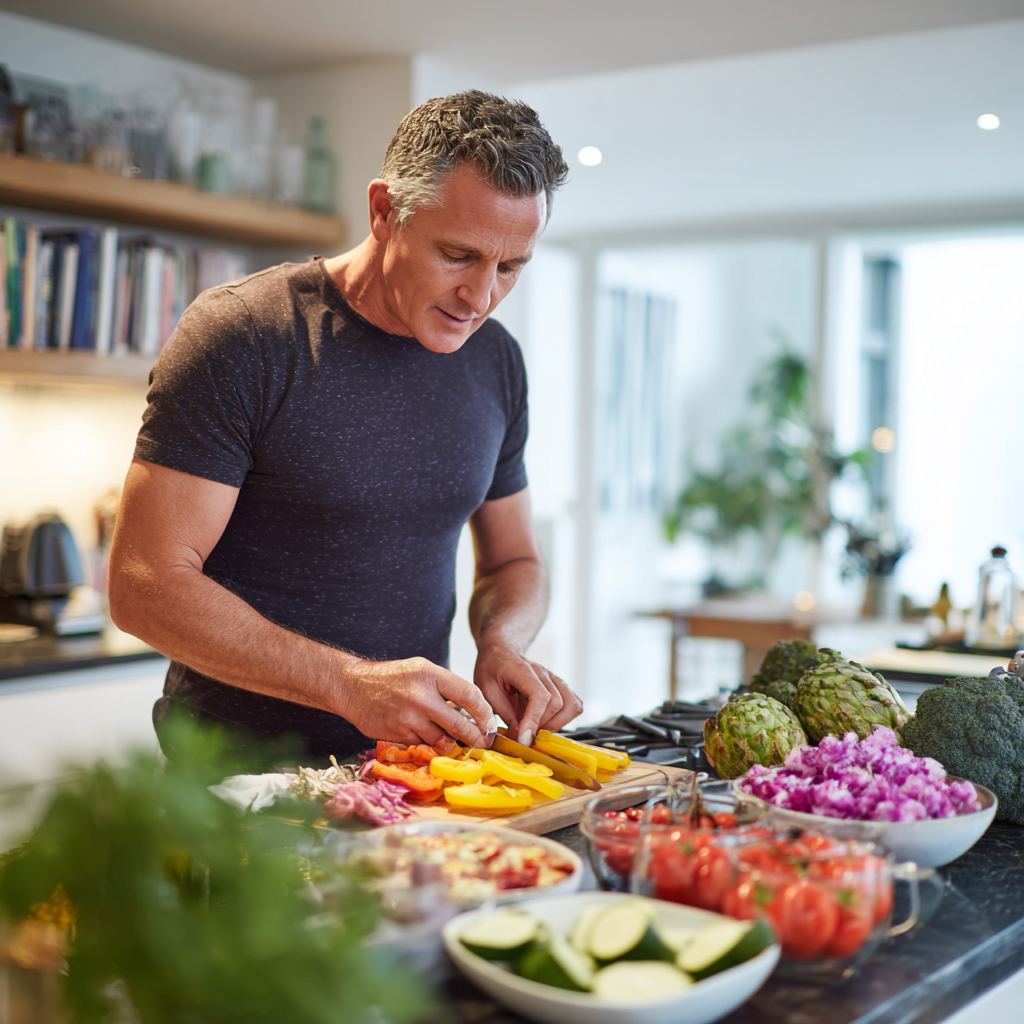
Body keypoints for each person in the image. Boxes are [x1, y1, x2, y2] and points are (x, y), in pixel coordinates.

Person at [108, 91, 583, 763]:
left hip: (413, 774)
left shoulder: (496, 359)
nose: (480, 298)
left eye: (509, 268)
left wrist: (503, 642)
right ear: (385, 212)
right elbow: (142, 584)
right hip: (231, 788)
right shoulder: (244, 335)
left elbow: (514, 560)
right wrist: (347, 684)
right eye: (457, 255)